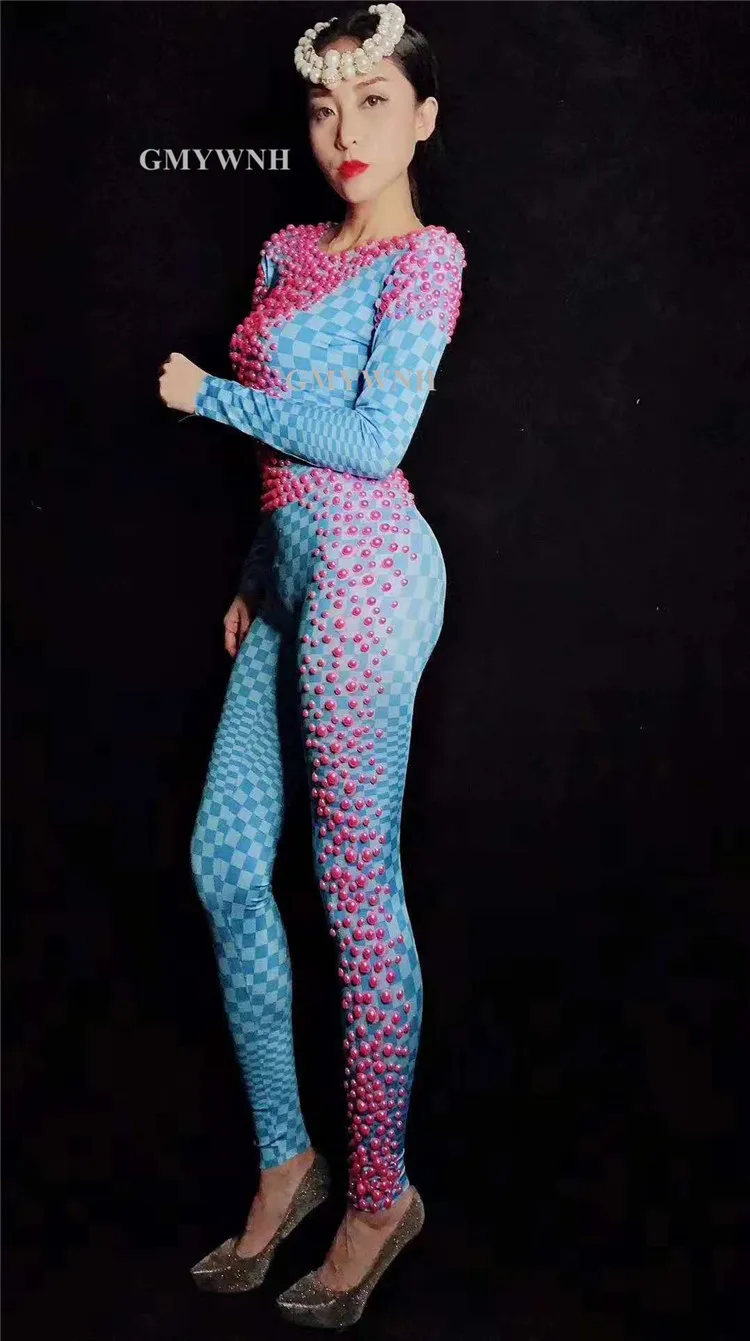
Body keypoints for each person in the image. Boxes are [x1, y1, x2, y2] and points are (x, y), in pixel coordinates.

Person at [158, 2, 467, 1327]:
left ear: (423, 119)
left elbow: (370, 442)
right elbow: (285, 464)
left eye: (376, 102)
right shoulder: (286, 246)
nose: (347, 131)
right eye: (326, 105)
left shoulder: (428, 261)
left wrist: (206, 394)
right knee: (226, 864)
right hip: (289, 575)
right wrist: (252, 573)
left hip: (369, 574)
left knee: (352, 889)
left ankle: (381, 1194)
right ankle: (289, 1159)